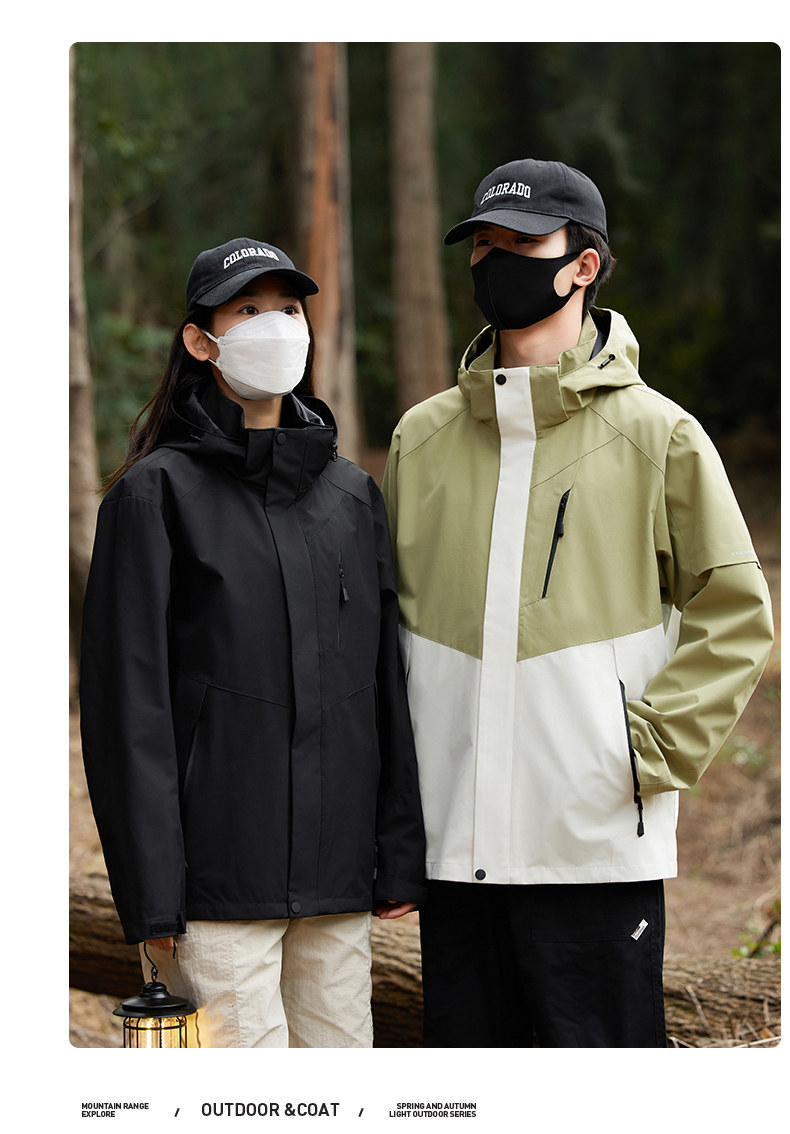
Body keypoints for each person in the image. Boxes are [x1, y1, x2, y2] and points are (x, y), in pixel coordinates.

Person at [381, 159, 774, 1048]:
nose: (493, 261)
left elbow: (737, 613)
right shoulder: (421, 438)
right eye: (482, 243)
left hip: (594, 847)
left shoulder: (659, 435)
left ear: (583, 266)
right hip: (453, 849)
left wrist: (643, 753)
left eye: (520, 244)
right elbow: (387, 628)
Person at [80, 236, 426, 1048]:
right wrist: (152, 894)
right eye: (247, 309)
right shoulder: (151, 498)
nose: (276, 326)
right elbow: (128, 714)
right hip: (213, 890)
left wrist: (398, 849)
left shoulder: (353, 497)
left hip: (339, 880)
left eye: (289, 308)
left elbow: (386, 683)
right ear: (201, 342)